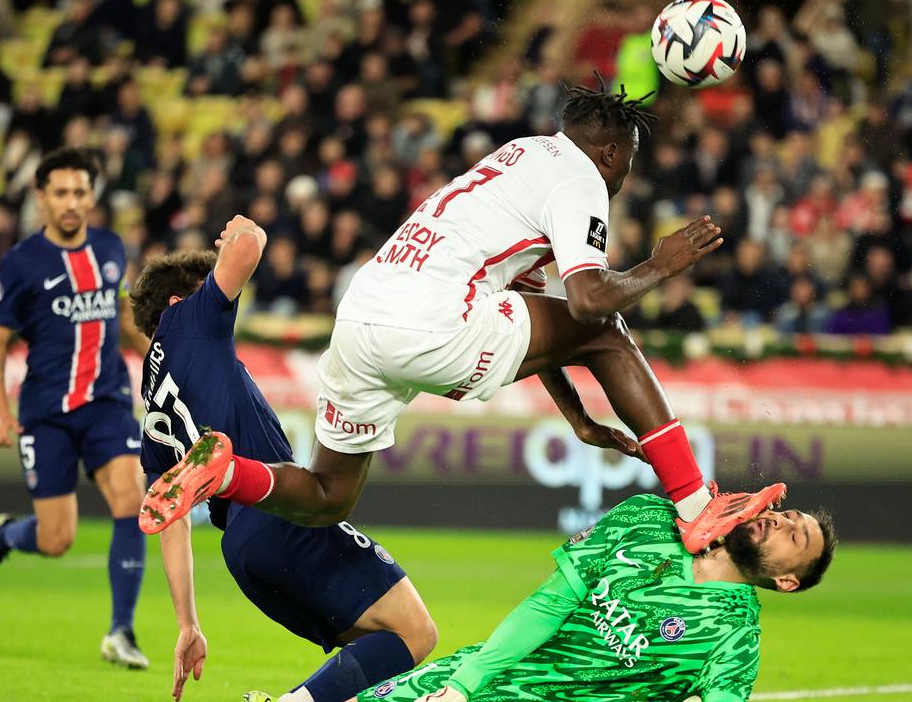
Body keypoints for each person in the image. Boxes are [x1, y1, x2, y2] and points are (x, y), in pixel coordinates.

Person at [142, 80, 786, 555]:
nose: (625, 177)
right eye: (630, 162)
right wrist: (661, 263)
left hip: (362, 316)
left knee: (328, 494)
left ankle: (222, 473)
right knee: (610, 335)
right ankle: (698, 506)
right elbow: (587, 306)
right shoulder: (584, 181)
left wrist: (579, 418)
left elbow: (547, 315)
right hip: (434, 319)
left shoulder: (526, 155)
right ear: (613, 153)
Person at [129, 230, 438, 702]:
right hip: (276, 513)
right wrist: (234, 231)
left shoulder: (152, 405)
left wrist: (187, 623)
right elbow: (250, 242)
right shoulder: (188, 321)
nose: (222, 299)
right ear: (176, 302)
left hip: (242, 552)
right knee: (415, 633)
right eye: (207, 288)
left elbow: (168, 518)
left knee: (374, 647)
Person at [354, 494, 837, 702]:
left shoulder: (735, 638)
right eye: (788, 515)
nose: (782, 522)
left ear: (786, 581)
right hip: (479, 676)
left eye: (795, 538)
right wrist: (463, 686)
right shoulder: (648, 519)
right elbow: (549, 604)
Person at [0, 148, 153, 669]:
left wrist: (167, 362)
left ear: (93, 196)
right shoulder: (22, 263)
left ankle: (121, 631)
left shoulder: (112, 249)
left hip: (108, 402)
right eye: (61, 193)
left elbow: (127, 321)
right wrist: (2, 413)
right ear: (41, 197)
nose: (72, 203)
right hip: (46, 411)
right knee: (56, 539)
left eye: (81, 193)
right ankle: (4, 535)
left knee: (131, 496)